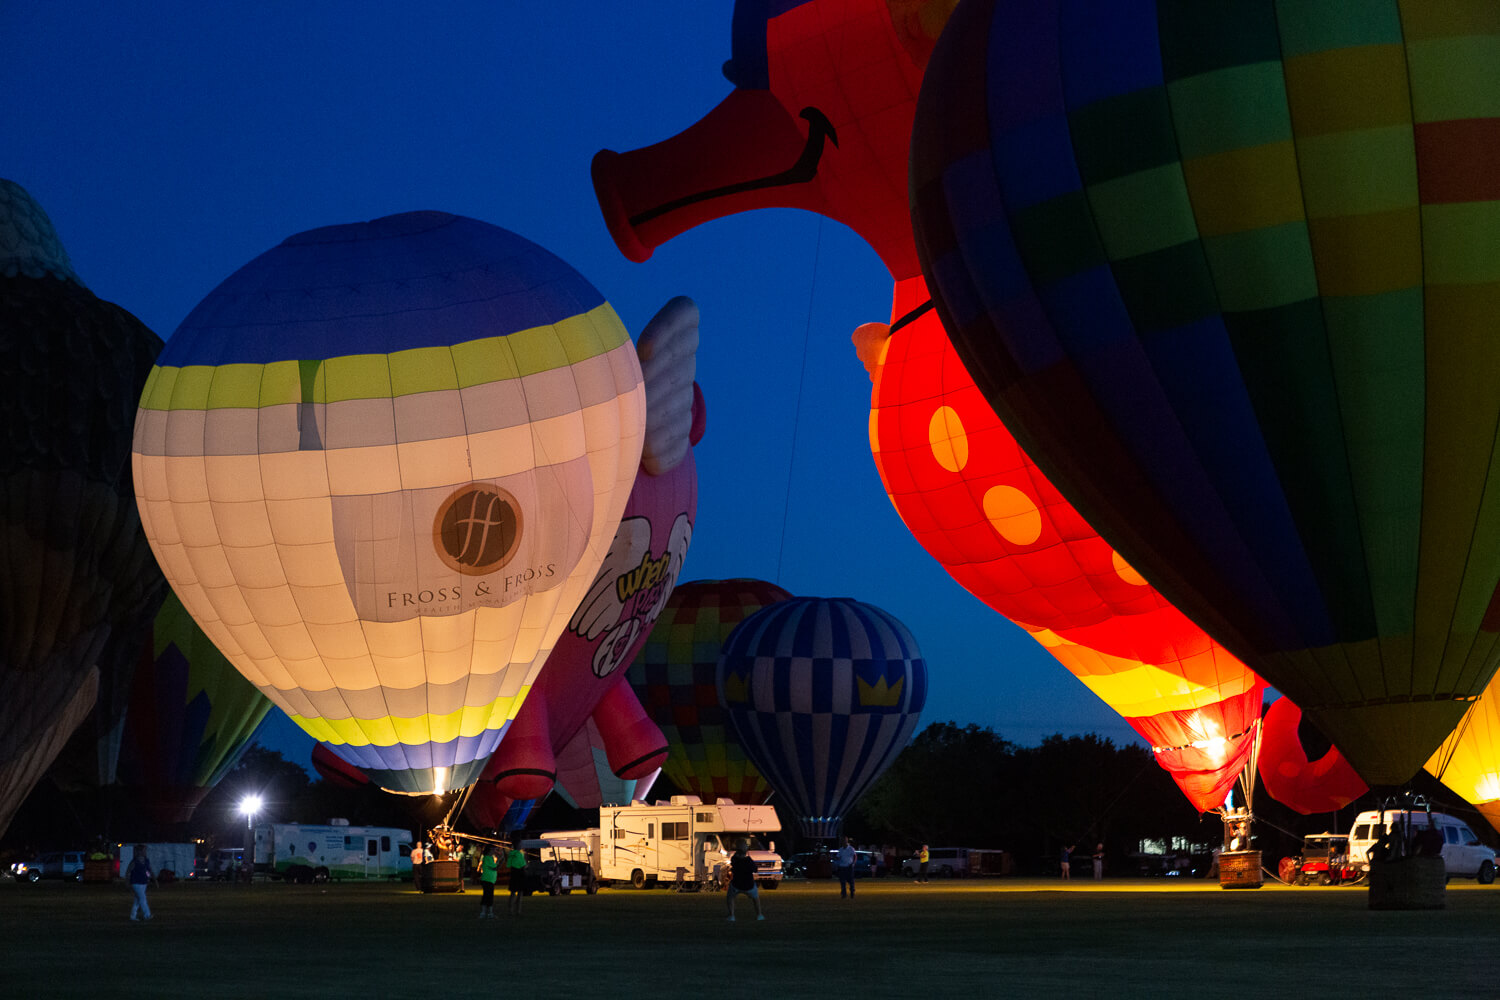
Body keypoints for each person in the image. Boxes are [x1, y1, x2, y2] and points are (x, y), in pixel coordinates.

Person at [725, 841, 764, 921]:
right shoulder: (749, 860)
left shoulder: (734, 859)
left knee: (730, 897)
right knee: (756, 899)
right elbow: (755, 870)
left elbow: (734, 860)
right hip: (749, 885)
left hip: (736, 885)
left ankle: (732, 916)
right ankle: (759, 915)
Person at [127, 844, 156, 921]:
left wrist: (151, 878)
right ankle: (147, 915)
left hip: (143, 882)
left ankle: (133, 916)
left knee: (137, 900)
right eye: (143, 850)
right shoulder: (135, 861)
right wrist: (127, 882)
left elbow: (149, 870)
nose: (144, 852)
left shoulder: (146, 860)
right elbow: (128, 871)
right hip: (136, 882)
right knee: (143, 899)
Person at [477, 845, 499, 918]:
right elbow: (495, 867)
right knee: (488, 896)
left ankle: (486, 912)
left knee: (487, 896)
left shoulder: (489, 858)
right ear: (489, 850)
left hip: (489, 880)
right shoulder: (487, 858)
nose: (494, 851)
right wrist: (500, 859)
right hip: (487, 880)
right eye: (493, 849)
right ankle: (486, 913)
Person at [505, 843, 527, 915]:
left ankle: (510, 910)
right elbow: (524, 865)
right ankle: (518, 910)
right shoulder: (520, 854)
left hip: (513, 873)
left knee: (512, 893)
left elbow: (508, 865)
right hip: (520, 873)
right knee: (520, 893)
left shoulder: (511, 854)